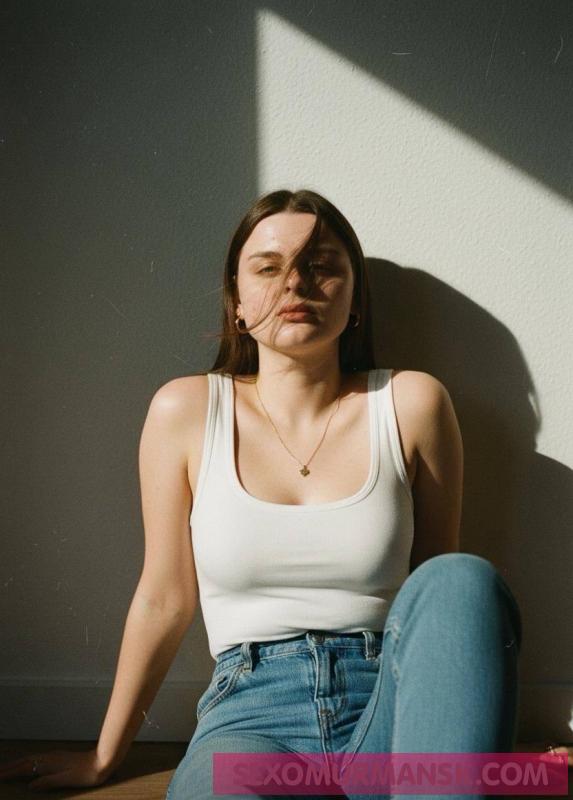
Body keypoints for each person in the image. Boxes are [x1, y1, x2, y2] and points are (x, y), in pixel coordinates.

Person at [0, 189, 524, 798]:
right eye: (270, 267)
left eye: (320, 266)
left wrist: (472, 739)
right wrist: (102, 756)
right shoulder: (185, 411)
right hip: (252, 717)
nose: (296, 283)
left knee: (461, 579)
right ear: (238, 302)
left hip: (387, 716)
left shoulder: (411, 403)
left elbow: (441, 613)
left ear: (355, 299)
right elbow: (164, 598)